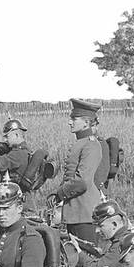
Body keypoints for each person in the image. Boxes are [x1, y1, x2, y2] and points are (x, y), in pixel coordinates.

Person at [50, 98, 104, 243]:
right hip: (75, 211)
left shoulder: (91, 145)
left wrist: (60, 193)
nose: (70, 122)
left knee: (87, 258)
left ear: (86, 123)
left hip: (85, 212)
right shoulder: (81, 143)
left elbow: (82, 182)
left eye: (74, 118)